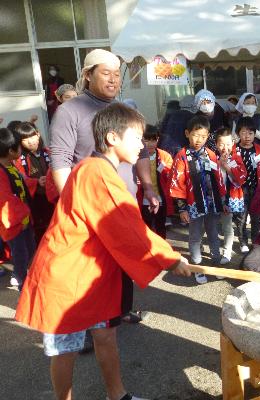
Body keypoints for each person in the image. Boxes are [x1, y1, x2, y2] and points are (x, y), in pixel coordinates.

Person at [15, 103, 191, 400]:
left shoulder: (97, 169)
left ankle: (117, 395)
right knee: (65, 350)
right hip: (68, 274)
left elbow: (129, 227)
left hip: (90, 273)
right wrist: (170, 258)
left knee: (105, 335)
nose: (142, 144)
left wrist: (168, 256)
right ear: (112, 138)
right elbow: (128, 229)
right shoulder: (96, 172)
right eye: (136, 138)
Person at [49, 48, 159, 327]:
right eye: (105, 73)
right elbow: (60, 157)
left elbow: (142, 152)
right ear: (87, 75)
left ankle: (120, 310)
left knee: (122, 257)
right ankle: (86, 322)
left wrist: (147, 186)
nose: (113, 80)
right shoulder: (69, 111)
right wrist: (70, 202)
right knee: (89, 265)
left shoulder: (124, 112)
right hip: (89, 203)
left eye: (116, 74)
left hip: (123, 200)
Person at [170, 115, 226, 284]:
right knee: (195, 236)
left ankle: (216, 263)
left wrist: (223, 201)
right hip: (193, 205)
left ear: (208, 136)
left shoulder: (211, 154)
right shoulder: (181, 156)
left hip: (212, 203)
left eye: (203, 136)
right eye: (195, 135)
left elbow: (219, 179)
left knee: (213, 234)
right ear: (187, 133)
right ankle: (197, 267)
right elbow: (177, 183)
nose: (199, 140)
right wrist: (182, 209)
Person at [0, 128, 36, 291]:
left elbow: (22, 182)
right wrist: (23, 215)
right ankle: (23, 287)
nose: (21, 150)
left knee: (30, 252)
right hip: (15, 225)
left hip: (23, 221)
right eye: (19, 147)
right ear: (10, 151)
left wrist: (37, 182)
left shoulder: (11, 166)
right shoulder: (1, 172)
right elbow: (4, 200)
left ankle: (28, 283)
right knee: (21, 257)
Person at [13, 122, 55, 244]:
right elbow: (20, 178)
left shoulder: (48, 152)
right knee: (39, 227)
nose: (30, 141)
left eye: (32, 136)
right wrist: (36, 182)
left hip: (52, 197)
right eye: (25, 139)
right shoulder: (20, 159)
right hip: (35, 199)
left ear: (38, 134)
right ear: (20, 142)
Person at [232, 117, 260, 253]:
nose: (247, 136)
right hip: (239, 190)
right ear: (238, 134)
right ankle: (242, 242)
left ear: (254, 134)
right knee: (241, 217)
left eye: (250, 133)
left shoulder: (259, 150)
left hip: (256, 188)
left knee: (255, 216)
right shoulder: (234, 150)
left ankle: (256, 241)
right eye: (243, 133)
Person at [215, 127, 247, 264]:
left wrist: (227, 167)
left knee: (228, 226)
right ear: (216, 144)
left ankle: (227, 252)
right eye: (221, 144)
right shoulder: (211, 157)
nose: (225, 147)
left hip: (231, 197)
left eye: (228, 144)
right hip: (215, 198)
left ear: (233, 143)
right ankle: (214, 250)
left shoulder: (236, 158)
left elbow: (241, 178)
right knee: (213, 226)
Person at [137, 124, 174, 239]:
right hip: (143, 198)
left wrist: (165, 172)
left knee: (160, 225)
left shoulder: (164, 156)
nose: (150, 144)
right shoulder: (135, 155)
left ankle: (162, 249)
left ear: (158, 139)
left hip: (160, 197)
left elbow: (171, 175)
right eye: (146, 140)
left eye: (154, 140)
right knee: (145, 225)